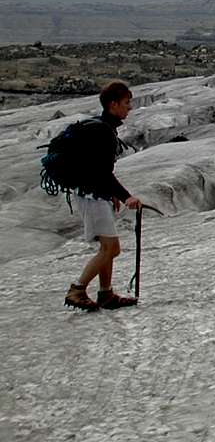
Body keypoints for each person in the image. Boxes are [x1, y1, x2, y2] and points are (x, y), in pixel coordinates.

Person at [64, 80, 143, 311]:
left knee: (106, 247)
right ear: (113, 104)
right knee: (112, 248)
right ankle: (77, 289)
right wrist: (126, 196)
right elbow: (102, 172)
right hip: (92, 195)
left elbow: (97, 170)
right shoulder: (103, 132)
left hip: (94, 193)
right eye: (126, 103)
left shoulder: (102, 127)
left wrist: (111, 194)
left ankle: (106, 294)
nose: (129, 108)